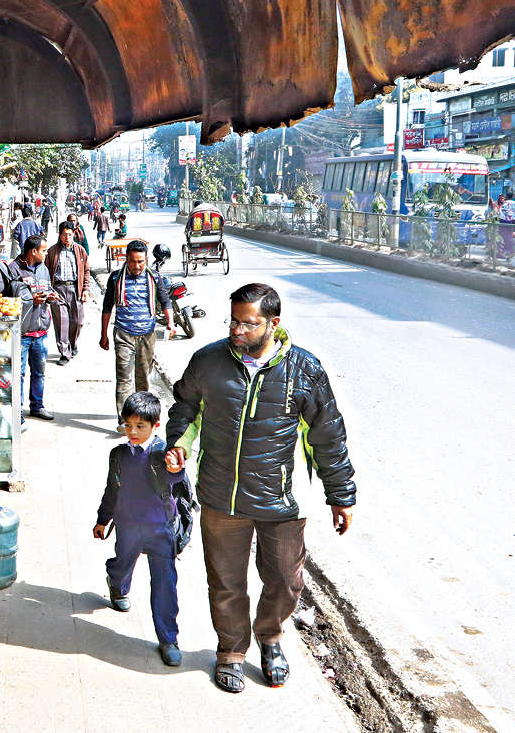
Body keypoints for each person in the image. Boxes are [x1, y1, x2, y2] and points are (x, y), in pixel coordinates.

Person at [165, 283, 356, 695]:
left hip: (281, 500)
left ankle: (270, 637)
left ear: (273, 323)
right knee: (226, 582)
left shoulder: (304, 370)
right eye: (234, 321)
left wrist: (340, 495)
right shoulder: (208, 361)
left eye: (248, 324)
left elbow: (327, 435)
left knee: (286, 580)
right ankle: (231, 651)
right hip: (222, 494)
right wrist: (178, 444)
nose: (238, 330)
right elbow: (185, 407)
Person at [94, 391, 185, 667]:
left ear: (155, 425)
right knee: (122, 563)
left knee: (165, 583)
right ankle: (117, 585)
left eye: (140, 426)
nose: (132, 432)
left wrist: (175, 469)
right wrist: (103, 519)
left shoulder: (163, 453)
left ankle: (168, 638)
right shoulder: (118, 455)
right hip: (127, 526)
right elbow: (112, 489)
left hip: (160, 529)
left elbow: (176, 477)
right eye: (128, 425)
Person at [99, 240, 172, 423]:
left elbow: (165, 301)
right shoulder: (115, 278)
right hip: (123, 334)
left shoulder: (154, 277)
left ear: (146, 259)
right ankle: (124, 420)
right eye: (132, 261)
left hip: (147, 335)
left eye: (140, 261)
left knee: (143, 379)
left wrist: (170, 322)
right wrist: (103, 334)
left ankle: (141, 417)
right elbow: (107, 306)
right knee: (124, 378)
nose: (136, 266)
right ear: (126, 259)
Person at [9, 235, 55, 423]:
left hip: (41, 329)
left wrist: (50, 296)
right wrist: (30, 300)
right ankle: (17, 412)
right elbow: (8, 299)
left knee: (39, 372)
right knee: (18, 374)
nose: (46, 253)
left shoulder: (43, 269)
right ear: (33, 251)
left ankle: (37, 406)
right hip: (22, 332)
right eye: (43, 250)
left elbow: (48, 287)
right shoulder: (13, 269)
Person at [45, 221, 90, 364]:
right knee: (61, 323)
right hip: (57, 290)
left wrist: (85, 289)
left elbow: (86, 271)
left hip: (75, 289)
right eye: (64, 234)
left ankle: (72, 344)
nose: (67, 237)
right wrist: (48, 292)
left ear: (74, 234)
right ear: (60, 235)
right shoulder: (52, 251)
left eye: (69, 234)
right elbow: (45, 272)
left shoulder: (80, 250)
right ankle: (65, 353)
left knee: (78, 321)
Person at [499, 188, 515, 260]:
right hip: (512, 221)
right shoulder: (514, 203)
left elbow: (500, 213)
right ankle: (511, 251)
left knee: (505, 236)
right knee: (510, 236)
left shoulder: (504, 204)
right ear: (513, 196)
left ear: (507, 197)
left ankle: (505, 252)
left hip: (504, 221)